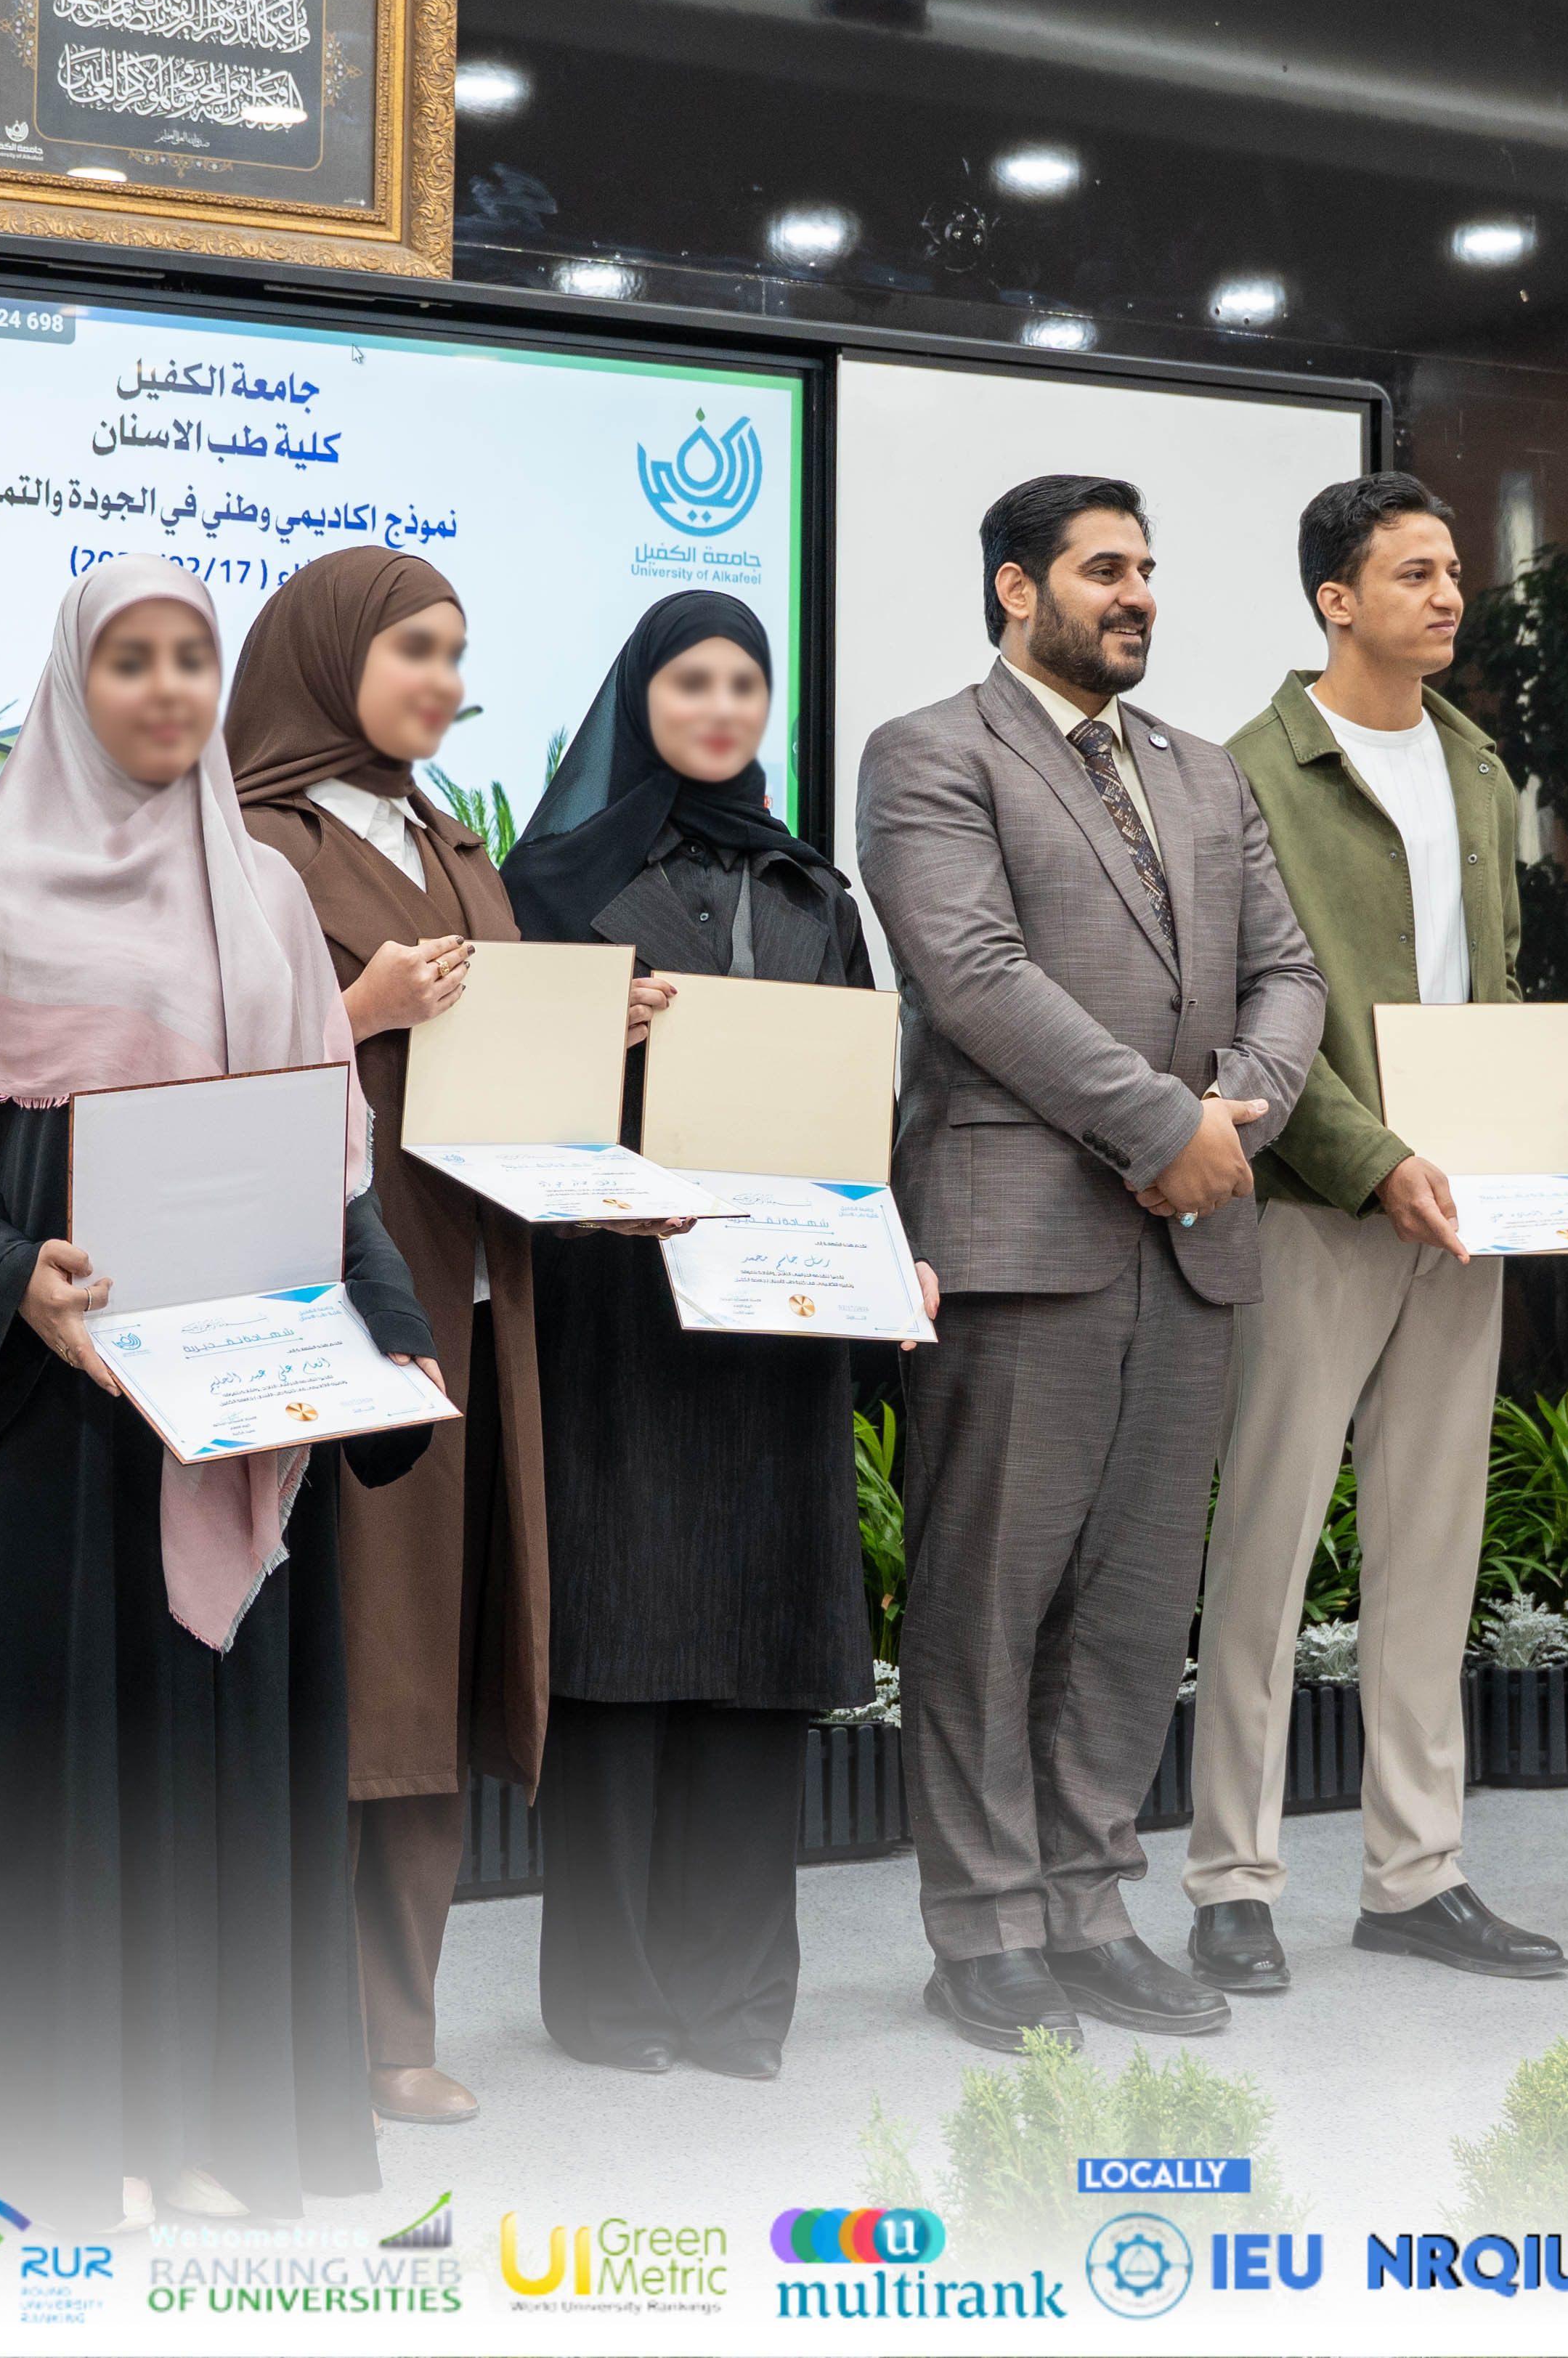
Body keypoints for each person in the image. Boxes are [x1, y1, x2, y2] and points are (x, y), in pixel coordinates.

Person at [0, 556, 448, 2227]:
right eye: (126, 658)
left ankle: (211, 2122)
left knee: (223, 1771)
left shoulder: (262, 894)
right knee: (72, 1775)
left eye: (190, 657)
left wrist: (390, 1330)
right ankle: (73, 2139)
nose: (163, 689)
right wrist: (12, 1277)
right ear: (76, 682)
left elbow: (327, 1155)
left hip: (242, 1409)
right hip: (63, 1409)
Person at [854, 473, 1325, 2053]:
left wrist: (1232, 1118)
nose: (1135, 595)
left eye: (1145, 568)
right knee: (986, 1604)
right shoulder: (929, 752)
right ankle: (982, 1930)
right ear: (1015, 588)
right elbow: (972, 975)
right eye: (1101, 568)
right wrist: (1159, 1126)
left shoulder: (1201, 771)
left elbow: (1285, 970)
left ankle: (1086, 1907)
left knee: (1130, 1610)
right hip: (1018, 1242)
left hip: (1189, 1242)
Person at [1182, 475, 1568, 1996]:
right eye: (1414, 573)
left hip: (1468, 1203)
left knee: (1432, 1548)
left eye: (1450, 572)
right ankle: (1230, 1881)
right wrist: (1372, 1162)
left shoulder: (1477, 764)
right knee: (1266, 1548)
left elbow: (1485, 994)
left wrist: (1560, 1101)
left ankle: (1414, 1873)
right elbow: (1243, 1019)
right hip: (1315, 1204)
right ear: (1334, 599)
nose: (1448, 596)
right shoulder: (1243, 773)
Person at [502, 591, 911, 2081]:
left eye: (745, 681)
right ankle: (608, 1999)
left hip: (775, 1320)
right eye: (691, 680)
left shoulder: (812, 888)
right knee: (617, 1653)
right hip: (615, 1316)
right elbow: (493, 1097)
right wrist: (588, 1034)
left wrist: (889, 1257)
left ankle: (738, 2000)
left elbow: (860, 1107)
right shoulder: (549, 882)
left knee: (755, 1654)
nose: (723, 706)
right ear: (638, 697)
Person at [224, 542, 588, 2127]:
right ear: (326, 658)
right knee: (354, 1660)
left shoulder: (451, 841)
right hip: (332, 1298)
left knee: (430, 1656)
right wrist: (354, 1013)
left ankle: (394, 2026)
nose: (445, 680)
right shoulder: (245, 843)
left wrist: (583, 1035)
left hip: (479, 1297)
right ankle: (291, 2022)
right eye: (414, 649)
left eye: (455, 651)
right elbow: (187, 1065)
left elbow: (491, 1067)